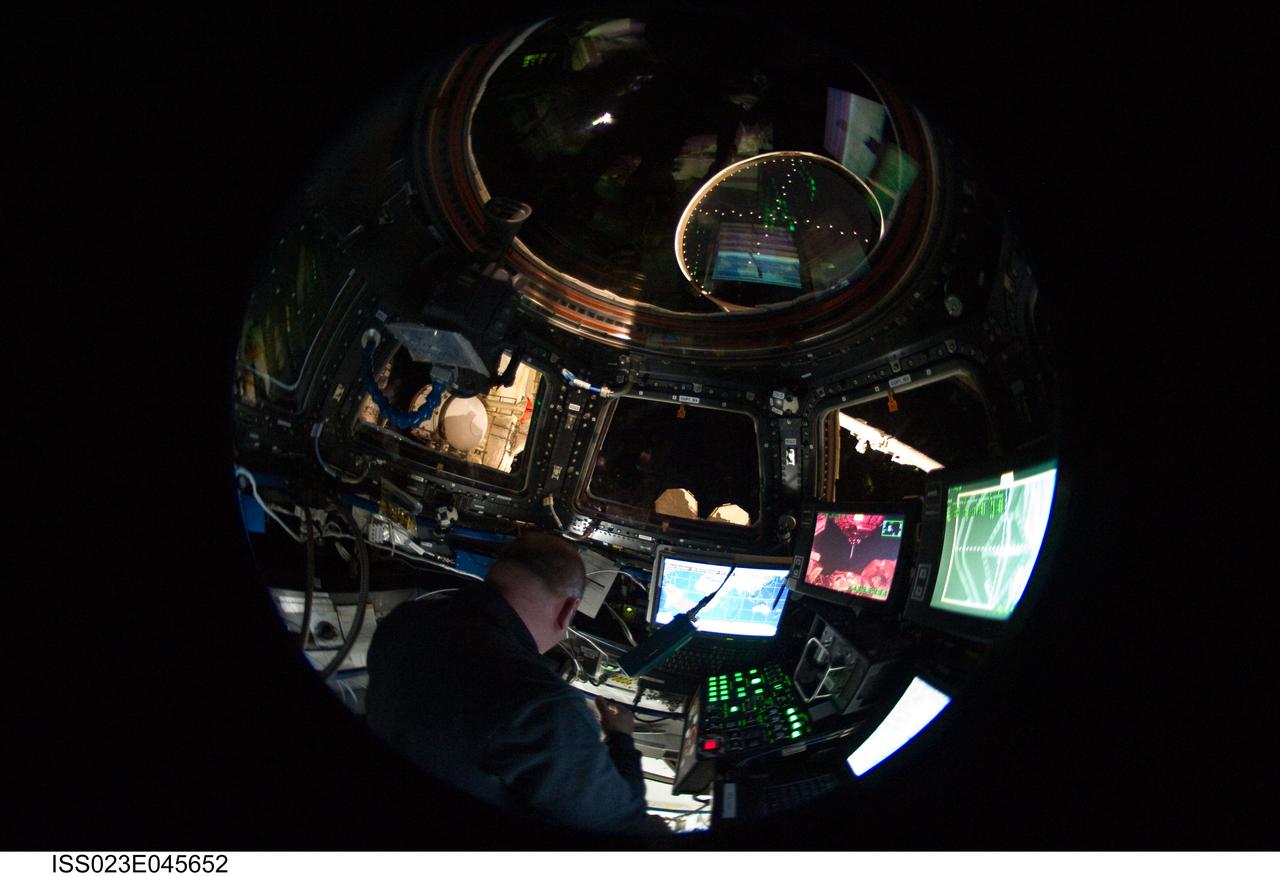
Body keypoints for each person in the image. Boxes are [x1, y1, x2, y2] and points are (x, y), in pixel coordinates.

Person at [365, 531, 649, 833]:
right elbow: (622, 825)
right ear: (568, 610)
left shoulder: (406, 619)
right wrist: (621, 738)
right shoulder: (543, 706)